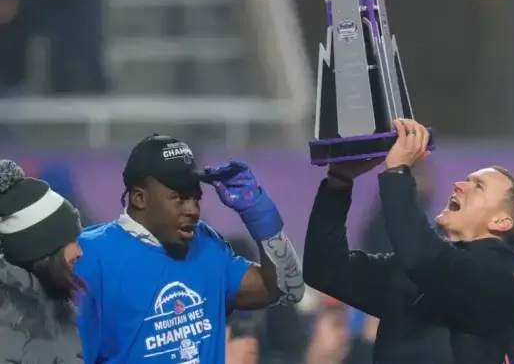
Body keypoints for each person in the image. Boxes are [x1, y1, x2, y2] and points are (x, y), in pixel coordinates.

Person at [303, 118, 514, 363]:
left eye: (478, 186)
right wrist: (339, 183)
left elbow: (424, 257)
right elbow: (325, 268)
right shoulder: (415, 274)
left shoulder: (503, 280)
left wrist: (397, 173)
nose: (459, 185)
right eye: (466, 180)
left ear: (501, 222)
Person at [75, 134, 304, 363]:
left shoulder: (207, 245)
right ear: (139, 198)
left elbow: (287, 289)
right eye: (179, 198)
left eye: (195, 198)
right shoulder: (90, 255)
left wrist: (261, 216)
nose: (193, 210)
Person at [0, 159, 84, 363]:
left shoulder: (62, 311)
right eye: (71, 241)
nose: (80, 252)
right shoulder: (8, 326)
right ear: (41, 250)